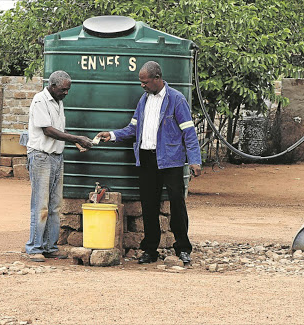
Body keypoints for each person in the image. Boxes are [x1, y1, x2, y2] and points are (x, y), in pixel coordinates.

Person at [97, 61, 201, 265]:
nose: (142, 86)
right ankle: (150, 250)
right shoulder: (143, 100)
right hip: (146, 159)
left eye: (145, 82)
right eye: (140, 82)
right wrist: (112, 135)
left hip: (170, 160)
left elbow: (188, 132)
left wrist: (194, 161)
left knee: (177, 204)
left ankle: (182, 248)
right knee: (149, 206)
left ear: (157, 78)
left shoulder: (176, 100)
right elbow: (132, 129)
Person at [26, 70, 93, 261]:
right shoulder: (40, 100)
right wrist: (76, 138)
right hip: (41, 156)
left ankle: (49, 246)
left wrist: (74, 142)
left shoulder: (57, 102)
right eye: (63, 89)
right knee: (41, 205)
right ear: (52, 86)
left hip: (55, 156)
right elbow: (48, 130)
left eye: (67, 90)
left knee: (54, 205)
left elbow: (58, 131)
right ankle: (34, 247)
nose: (66, 93)